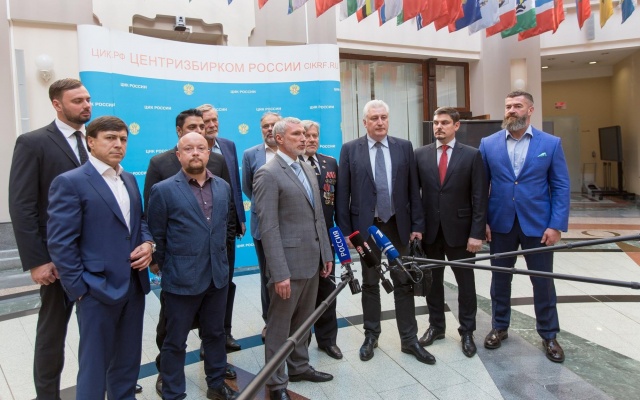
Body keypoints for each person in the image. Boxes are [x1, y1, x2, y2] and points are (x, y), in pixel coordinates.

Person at [47, 116, 153, 399]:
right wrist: (80, 290)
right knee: (94, 368)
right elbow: (61, 242)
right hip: (95, 289)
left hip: (134, 286)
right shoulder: (70, 182)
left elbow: (139, 222)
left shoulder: (129, 179)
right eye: (110, 138)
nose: (118, 144)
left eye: (123, 139)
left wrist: (148, 243)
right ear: (90, 142)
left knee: (127, 363)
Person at [8, 78, 95, 399]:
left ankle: (101, 382)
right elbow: (22, 205)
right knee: (53, 331)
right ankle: (47, 394)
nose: (86, 105)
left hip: (97, 255)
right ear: (57, 104)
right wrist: (38, 260)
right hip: (58, 260)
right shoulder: (33, 143)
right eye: (77, 101)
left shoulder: (95, 141)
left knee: (98, 327)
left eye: (87, 99)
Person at [143, 109, 237, 395]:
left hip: (217, 277)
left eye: (201, 148)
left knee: (215, 334)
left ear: (208, 153)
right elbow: (157, 233)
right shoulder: (163, 190)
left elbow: (227, 225)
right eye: (188, 149)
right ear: (179, 154)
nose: (195, 153)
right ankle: (172, 390)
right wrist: (166, 266)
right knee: (175, 340)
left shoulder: (222, 187)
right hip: (181, 279)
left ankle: (216, 384)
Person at [335, 99, 434, 365]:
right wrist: (347, 232)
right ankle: (371, 336)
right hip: (366, 228)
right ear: (364, 122)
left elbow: (413, 190)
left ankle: (409, 339)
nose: (380, 122)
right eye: (374, 118)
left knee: (403, 281)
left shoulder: (404, 147)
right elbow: (342, 194)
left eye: (384, 117)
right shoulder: (350, 149)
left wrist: (417, 225)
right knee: (370, 282)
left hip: (398, 227)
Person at [479, 90, 570, 363]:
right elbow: (480, 187)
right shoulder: (488, 144)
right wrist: (482, 221)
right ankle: (499, 327)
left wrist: (556, 225)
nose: (511, 110)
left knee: (542, 282)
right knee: (499, 279)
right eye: (508, 106)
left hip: (538, 225)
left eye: (517, 106)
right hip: (500, 224)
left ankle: (549, 335)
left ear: (530, 110)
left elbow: (561, 186)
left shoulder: (550, 143)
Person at [253, 117, 334, 400]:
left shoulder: (306, 168)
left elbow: (318, 217)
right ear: (279, 139)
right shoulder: (268, 173)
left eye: (305, 133)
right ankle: (275, 384)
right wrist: (279, 272)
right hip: (287, 265)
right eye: (297, 134)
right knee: (279, 327)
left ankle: (299, 367)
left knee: (303, 322)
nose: (304, 138)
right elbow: (269, 227)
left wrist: (326, 253)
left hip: (312, 260)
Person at [415, 107, 488, 358]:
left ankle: (467, 331)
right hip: (430, 233)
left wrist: (477, 233)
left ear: (456, 126)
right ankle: (436, 327)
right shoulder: (420, 154)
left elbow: (479, 197)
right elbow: (415, 195)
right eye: (436, 123)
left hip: (462, 233)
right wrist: (417, 228)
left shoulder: (472, 155)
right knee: (432, 283)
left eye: (445, 123)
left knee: (465, 284)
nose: (439, 127)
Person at [197, 104, 245, 352]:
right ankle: (207, 338)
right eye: (207, 121)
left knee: (227, 282)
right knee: (206, 286)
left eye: (215, 119)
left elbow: (234, 184)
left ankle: (225, 332)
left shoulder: (228, 145)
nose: (212, 124)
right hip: (203, 230)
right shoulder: (193, 150)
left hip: (228, 227)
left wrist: (240, 217)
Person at [299, 120, 342, 360]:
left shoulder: (330, 162)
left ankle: (327, 340)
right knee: (303, 294)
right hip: (301, 239)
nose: (311, 139)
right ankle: (301, 342)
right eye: (306, 135)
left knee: (327, 289)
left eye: (315, 135)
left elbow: (339, 200)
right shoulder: (292, 164)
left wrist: (342, 233)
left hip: (326, 237)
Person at [241, 111, 281, 341]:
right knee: (267, 276)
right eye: (266, 125)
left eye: (274, 124)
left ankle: (291, 319)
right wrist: (264, 206)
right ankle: (270, 321)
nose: (269, 129)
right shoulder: (250, 154)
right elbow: (248, 187)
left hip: (290, 225)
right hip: (262, 225)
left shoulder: (290, 150)